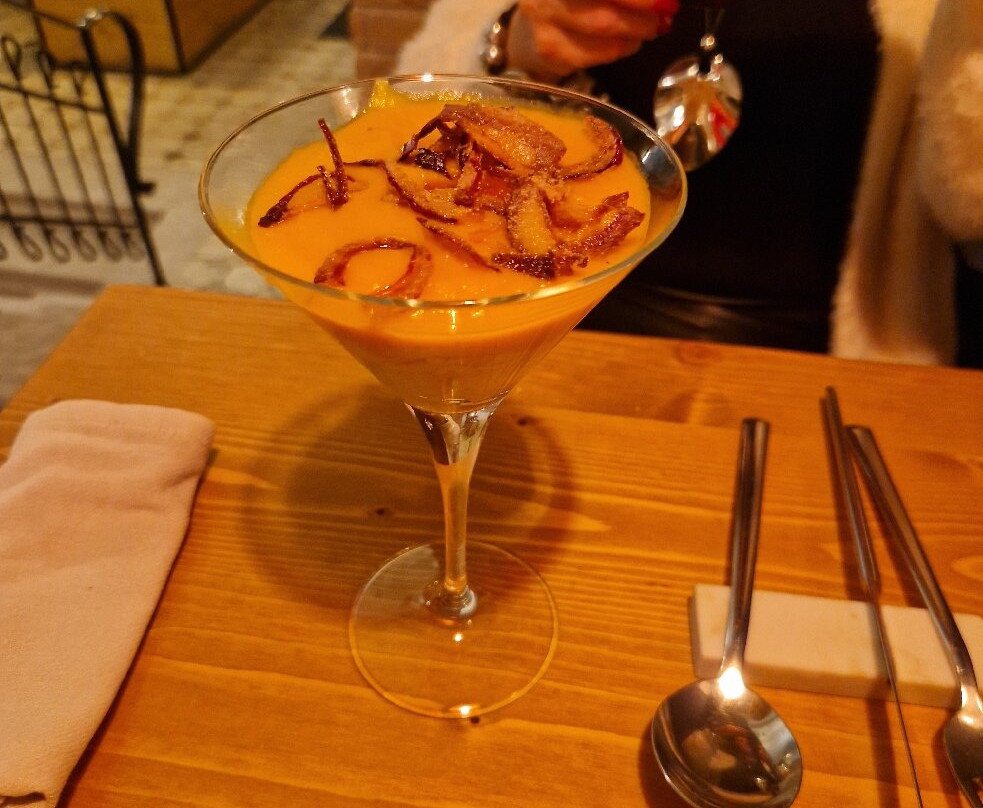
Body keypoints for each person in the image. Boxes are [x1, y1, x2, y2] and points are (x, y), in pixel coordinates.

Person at [396, 0, 983, 366]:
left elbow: (969, 207)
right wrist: (510, 43)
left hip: (836, 359)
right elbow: (404, 127)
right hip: (550, 327)